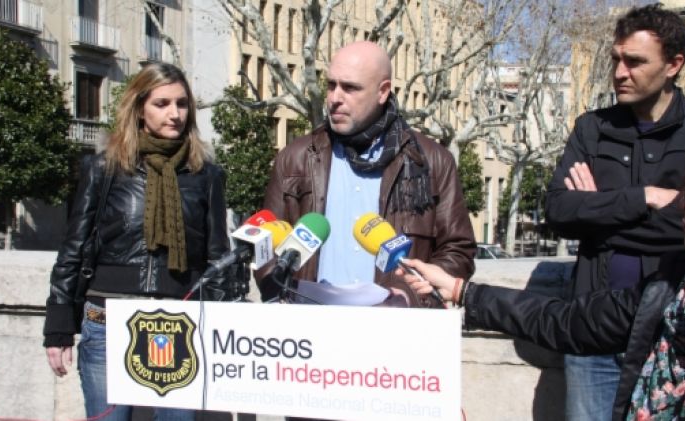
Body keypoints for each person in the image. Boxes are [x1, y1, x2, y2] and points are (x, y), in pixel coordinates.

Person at [398, 141, 685, 420]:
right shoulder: (676, 283)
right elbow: (570, 322)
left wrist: (599, 209)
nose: (682, 206)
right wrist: (461, 291)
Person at [543, 5, 685, 420]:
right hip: (593, 330)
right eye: (616, 58)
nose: (619, 72)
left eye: (634, 62)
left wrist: (598, 215)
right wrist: (645, 197)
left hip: (675, 337)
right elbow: (559, 210)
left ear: (674, 64)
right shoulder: (592, 128)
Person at [42, 63, 230, 420]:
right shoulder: (105, 168)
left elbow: (217, 257)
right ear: (139, 107)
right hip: (107, 320)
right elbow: (74, 247)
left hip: (179, 323)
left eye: (182, 104)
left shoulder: (206, 174)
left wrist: (220, 327)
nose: (174, 114)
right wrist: (58, 325)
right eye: (162, 104)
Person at [259, 41, 476, 307]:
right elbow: (265, 246)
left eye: (350, 88)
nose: (335, 98)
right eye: (331, 85)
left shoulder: (432, 161)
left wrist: (408, 296)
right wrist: (276, 292)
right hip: (308, 329)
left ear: (383, 91)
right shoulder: (295, 158)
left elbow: (458, 251)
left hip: (394, 330)